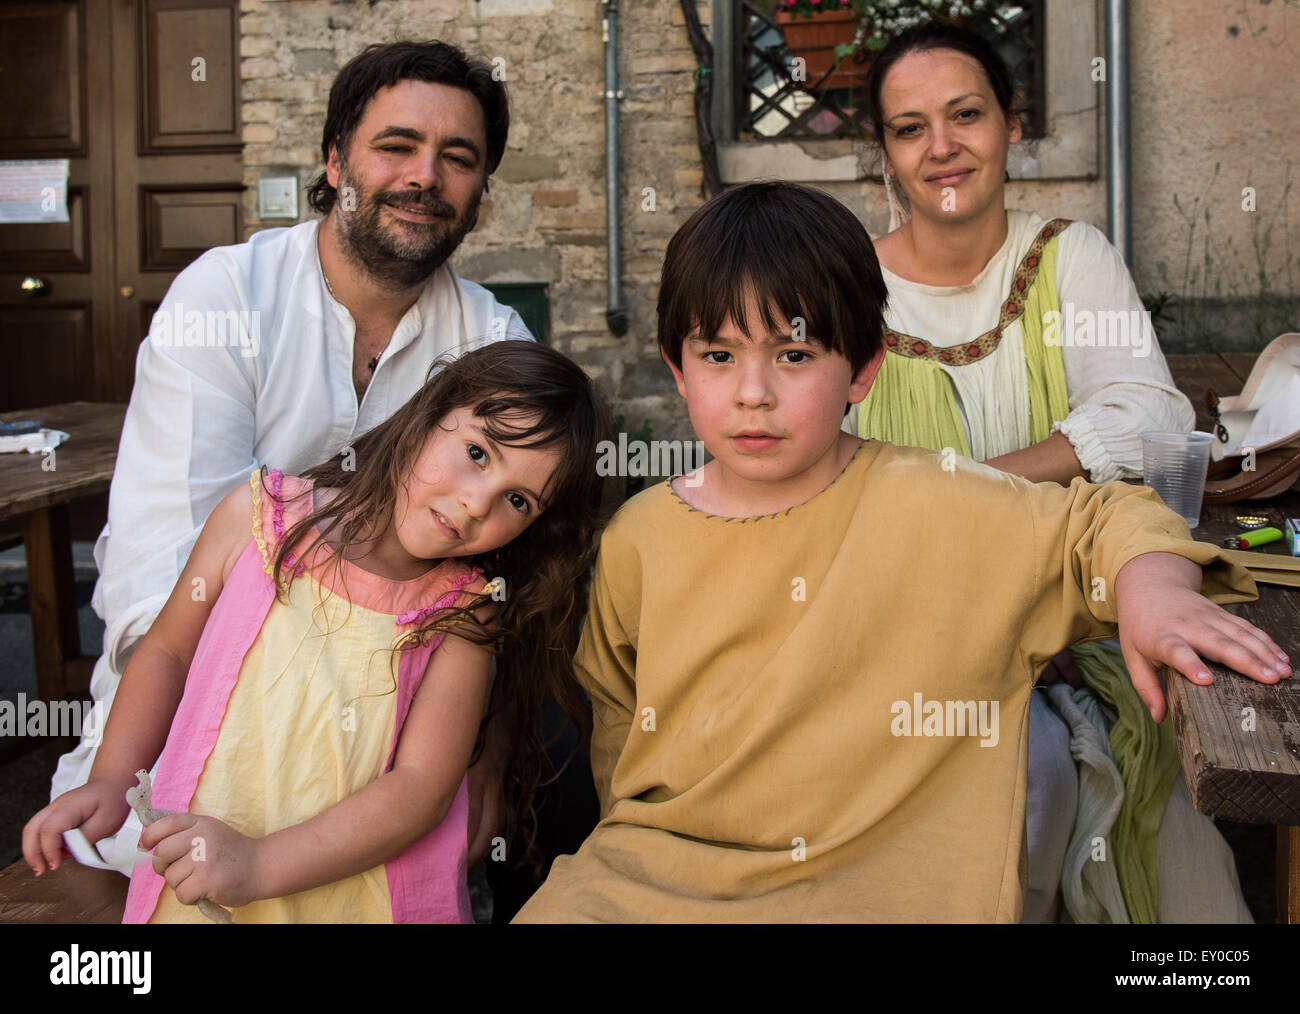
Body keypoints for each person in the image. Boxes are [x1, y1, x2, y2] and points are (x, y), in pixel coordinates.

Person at [510, 183, 1290, 923]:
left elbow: (1112, 519)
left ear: (863, 368)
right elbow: (619, 744)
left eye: (793, 355)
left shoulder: (943, 502)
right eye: (719, 356)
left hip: (878, 884)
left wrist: (1153, 590)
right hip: (653, 876)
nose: (753, 392)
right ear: (677, 368)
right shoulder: (637, 537)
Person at [51, 40, 533, 876]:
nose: (426, 175)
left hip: (402, 719)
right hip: (202, 690)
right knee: (156, 853)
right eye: (396, 145)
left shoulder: (493, 342)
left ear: (480, 198)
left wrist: (483, 755)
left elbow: (507, 584)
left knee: (404, 858)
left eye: (458, 159)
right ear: (335, 158)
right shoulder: (225, 298)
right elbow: (165, 574)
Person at [849, 21, 1244, 922]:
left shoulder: (1071, 258)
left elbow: (1148, 415)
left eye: (965, 115)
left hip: (1090, 619)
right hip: (912, 636)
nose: (942, 147)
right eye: (911, 128)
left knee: (1174, 868)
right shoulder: (845, 285)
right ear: (885, 154)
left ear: (1010, 126)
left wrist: (977, 485)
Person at [24, 342, 608, 923]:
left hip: (362, 901)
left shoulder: (463, 616)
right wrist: (110, 778)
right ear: (428, 416)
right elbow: (167, 651)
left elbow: (420, 788)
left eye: (517, 500)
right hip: (201, 878)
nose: (477, 503)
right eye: (478, 452)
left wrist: (257, 864)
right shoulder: (257, 520)